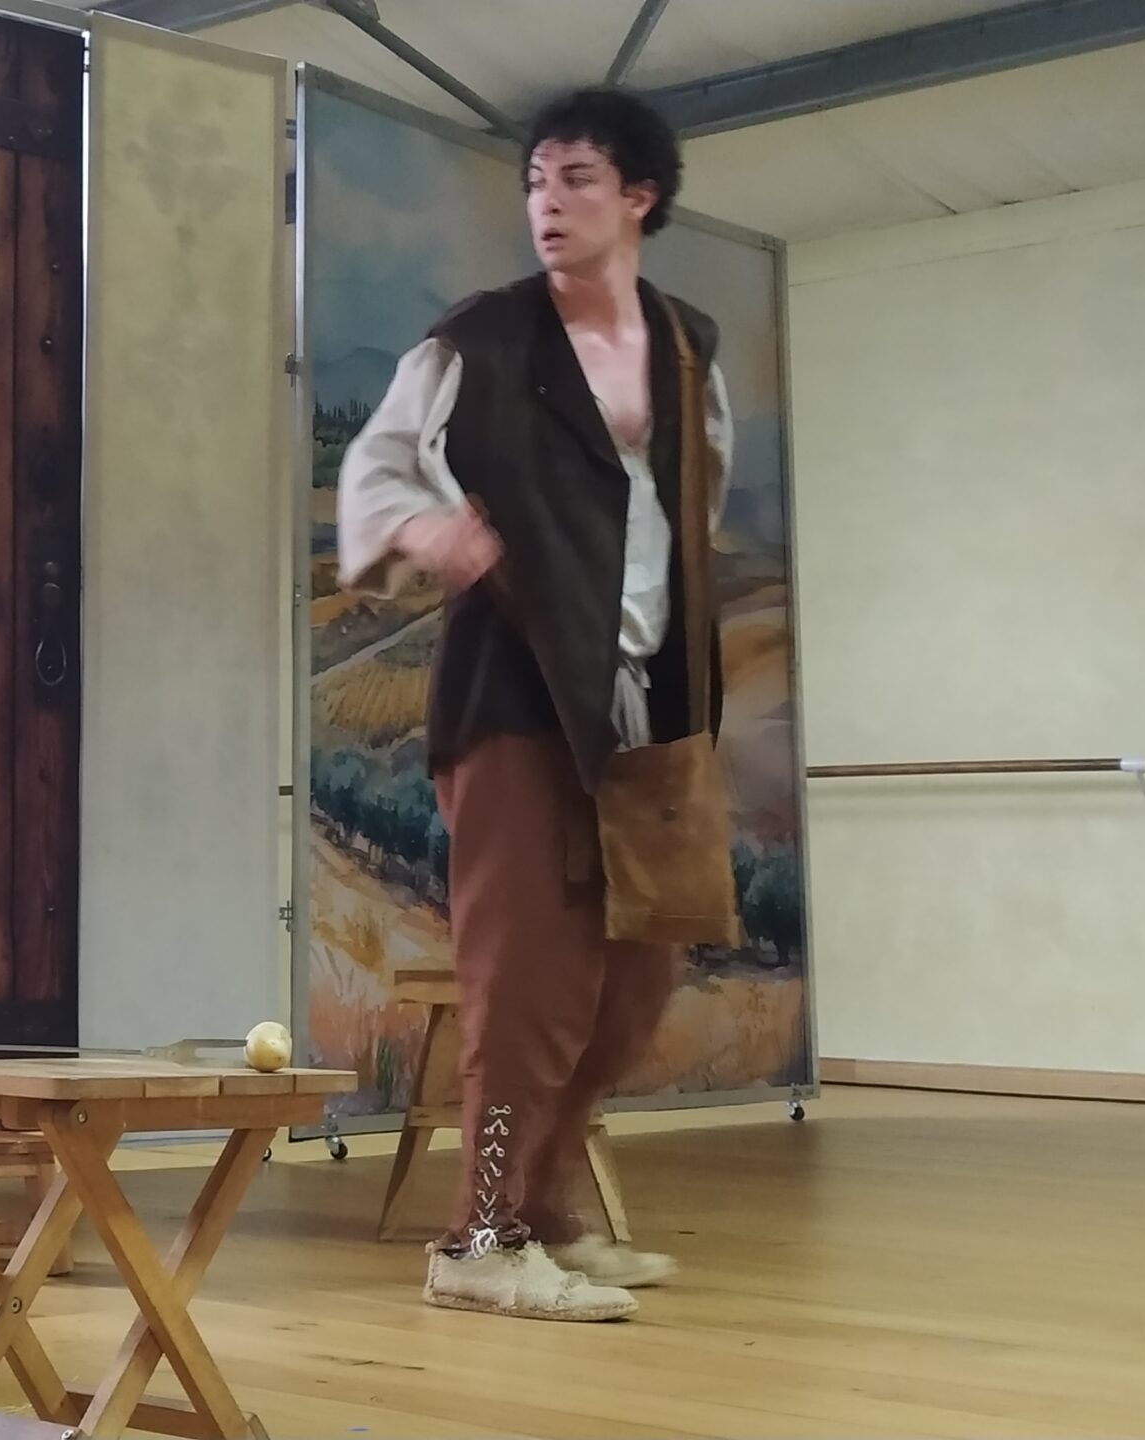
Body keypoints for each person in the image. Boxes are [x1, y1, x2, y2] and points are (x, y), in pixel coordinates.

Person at [336, 88, 730, 1322]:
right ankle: (479, 1242)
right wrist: (426, 531)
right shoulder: (480, 340)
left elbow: (696, 500)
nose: (546, 204)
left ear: (638, 198)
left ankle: (550, 1210)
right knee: (530, 981)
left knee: (637, 979)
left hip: (645, 701)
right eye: (533, 182)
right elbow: (377, 467)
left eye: (574, 180)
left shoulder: (685, 346)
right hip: (514, 692)